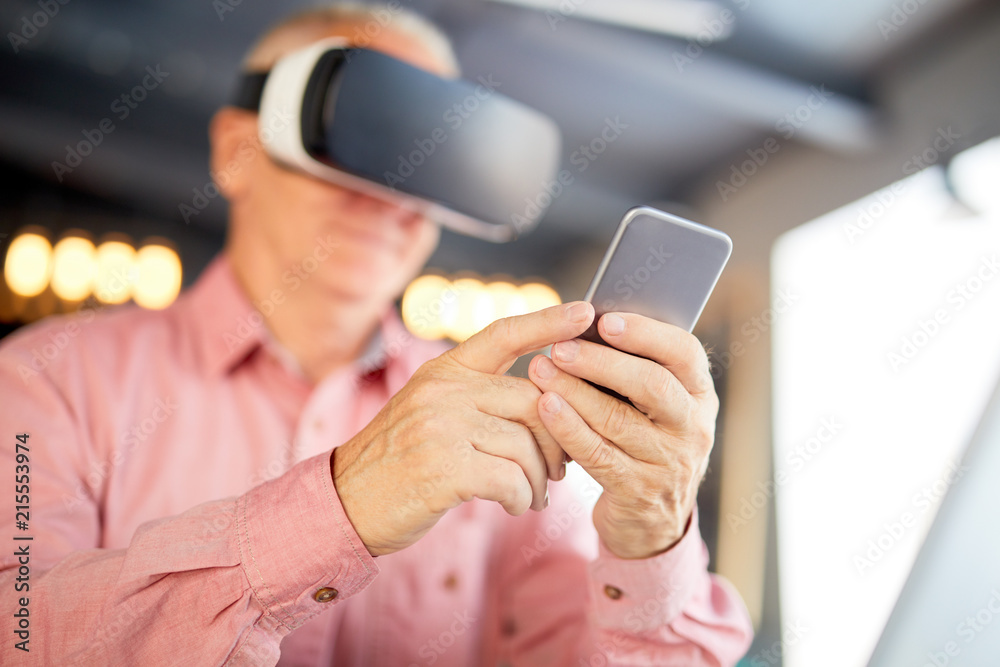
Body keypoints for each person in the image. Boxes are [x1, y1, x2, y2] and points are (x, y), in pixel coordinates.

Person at [0, 4, 752, 665]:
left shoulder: (503, 420)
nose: (394, 191)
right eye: (360, 130)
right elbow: (17, 632)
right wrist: (342, 507)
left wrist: (650, 538)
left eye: (432, 155)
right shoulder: (48, 380)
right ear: (237, 151)